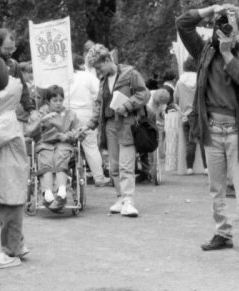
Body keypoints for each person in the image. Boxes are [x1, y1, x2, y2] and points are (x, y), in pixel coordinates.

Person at [176, 3, 239, 256]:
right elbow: (182, 23)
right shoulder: (204, 51)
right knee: (216, 189)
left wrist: (227, 54)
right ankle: (223, 233)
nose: (223, 26)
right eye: (220, 22)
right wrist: (210, 9)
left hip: (237, 132)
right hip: (211, 130)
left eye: (229, 22)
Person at [81, 44, 150, 217]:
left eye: (99, 67)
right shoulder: (103, 80)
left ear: (107, 59)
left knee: (126, 164)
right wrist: (89, 125)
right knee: (114, 166)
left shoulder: (130, 73)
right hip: (109, 126)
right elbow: (99, 105)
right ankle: (120, 197)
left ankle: (128, 200)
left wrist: (126, 105)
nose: (98, 71)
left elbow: (144, 93)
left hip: (126, 124)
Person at [26, 85, 80, 212]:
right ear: (48, 101)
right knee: (46, 158)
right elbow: (28, 132)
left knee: (61, 156)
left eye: (61, 100)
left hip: (63, 144)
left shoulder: (70, 114)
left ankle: (61, 193)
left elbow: (78, 132)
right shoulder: (40, 114)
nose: (58, 103)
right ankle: (48, 194)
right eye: (55, 101)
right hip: (45, 144)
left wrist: (67, 136)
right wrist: (40, 121)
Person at [0, 76, 29, 269]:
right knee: (3, 211)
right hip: (2, 174)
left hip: (10, 174)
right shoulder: (0, 116)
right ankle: (19, 244)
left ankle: (11, 253)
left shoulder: (6, 118)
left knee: (10, 212)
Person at [66, 54, 111, 187]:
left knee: (67, 144)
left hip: (67, 113)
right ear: (81, 64)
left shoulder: (64, 78)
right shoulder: (89, 77)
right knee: (90, 146)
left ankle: (67, 176)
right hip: (86, 112)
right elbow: (99, 94)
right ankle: (99, 177)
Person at [173, 56, 207, 175]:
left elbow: (175, 100)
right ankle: (206, 167)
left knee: (190, 142)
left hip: (185, 116)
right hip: (199, 115)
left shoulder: (179, 82)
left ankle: (189, 168)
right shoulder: (200, 80)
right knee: (203, 141)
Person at [0, 28, 35, 118]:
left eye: (12, 49)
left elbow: (23, 91)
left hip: (8, 121)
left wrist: (31, 110)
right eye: (7, 49)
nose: (10, 53)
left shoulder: (14, 65)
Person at [136, 88, 170, 183]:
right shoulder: (148, 97)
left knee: (151, 144)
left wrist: (163, 115)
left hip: (154, 124)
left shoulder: (162, 101)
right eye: (159, 102)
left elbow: (161, 114)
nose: (161, 104)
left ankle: (147, 169)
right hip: (145, 123)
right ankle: (145, 169)